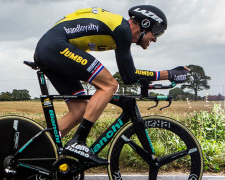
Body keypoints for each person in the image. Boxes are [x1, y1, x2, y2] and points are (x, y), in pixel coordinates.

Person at [33, 5, 188, 165]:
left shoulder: (119, 29)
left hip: (51, 47)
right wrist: (168, 74)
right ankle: (78, 142)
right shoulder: (122, 29)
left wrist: (166, 75)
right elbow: (129, 76)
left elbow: (129, 75)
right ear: (145, 24)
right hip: (54, 47)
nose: (155, 39)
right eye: (156, 33)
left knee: (79, 110)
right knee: (109, 85)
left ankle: (36, 154)